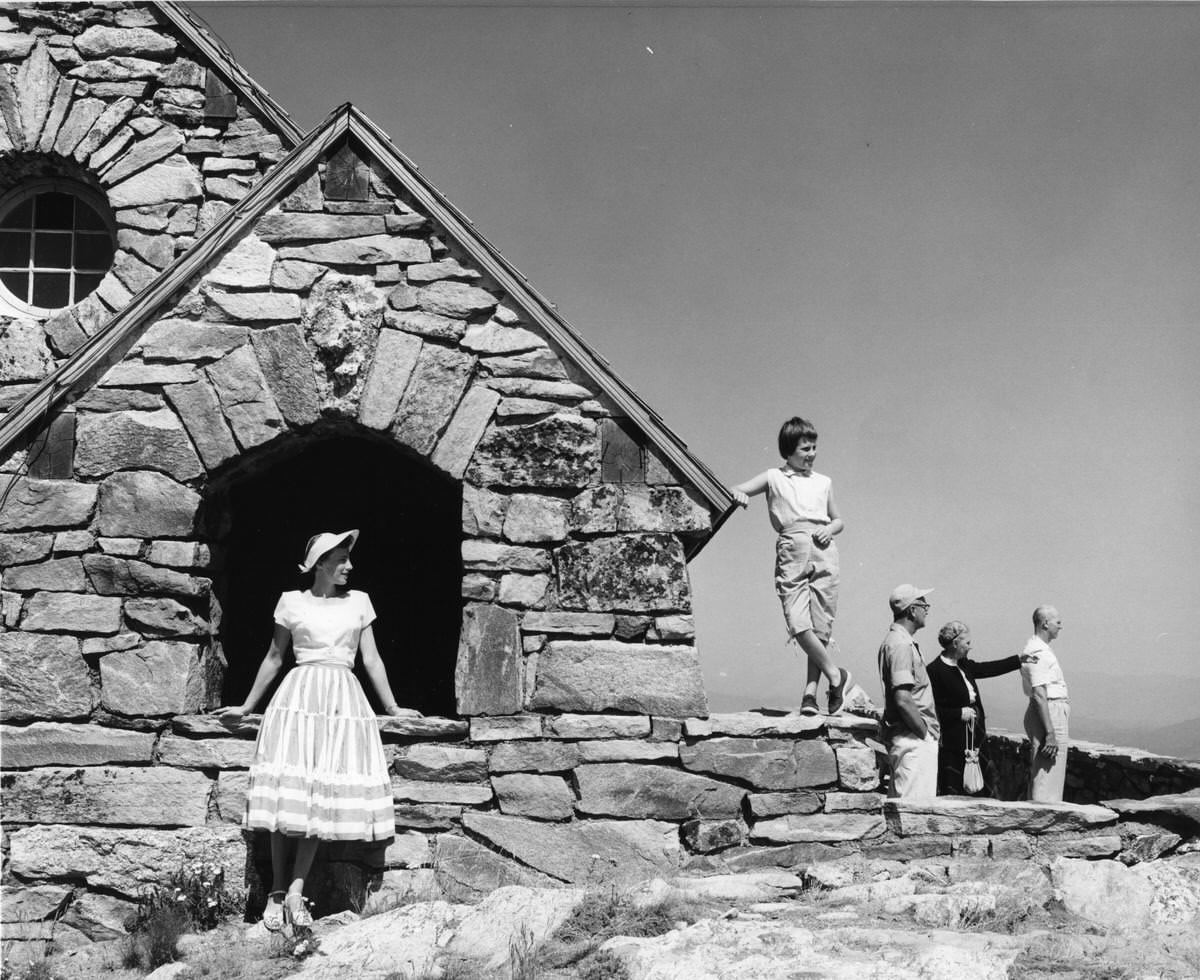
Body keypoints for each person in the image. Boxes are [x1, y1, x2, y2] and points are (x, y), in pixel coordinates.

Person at [214, 530, 409, 932]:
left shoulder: (359, 602)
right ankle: (275, 890)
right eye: (341, 559)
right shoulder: (291, 601)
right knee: (290, 793)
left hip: (341, 699)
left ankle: (296, 891)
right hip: (298, 699)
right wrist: (249, 705)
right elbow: (274, 656)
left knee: (319, 794)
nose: (349, 567)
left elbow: (371, 659)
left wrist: (392, 707)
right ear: (320, 562)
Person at [730, 416, 853, 716]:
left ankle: (810, 694)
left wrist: (831, 529)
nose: (811, 454)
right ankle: (837, 677)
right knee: (798, 622)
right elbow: (737, 488)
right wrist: (739, 493)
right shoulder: (774, 477)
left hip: (824, 548)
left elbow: (838, 519)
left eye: (814, 448)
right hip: (791, 546)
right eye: (805, 449)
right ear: (789, 450)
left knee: (821, 624)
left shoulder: (824, 482)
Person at [927, 621, 1022, 796]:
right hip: (954, 743)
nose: (971, 647)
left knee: (983, 786)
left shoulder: (964, 664)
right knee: (955, 789)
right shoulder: (934, 670)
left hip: (975, 738)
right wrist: (957, 713)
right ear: (955, 643)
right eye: (967, 643)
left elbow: (987, 668)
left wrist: (1018, 661)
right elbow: (931, 708)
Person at [877, 584, 940, 798]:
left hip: (909, 737)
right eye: (924, 605)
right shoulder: (900, 644)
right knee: (914, 811)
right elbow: (903, 699)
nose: (927, 610)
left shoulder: (900, 641)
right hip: (912, 740)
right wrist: (925, 735)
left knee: (904, 810)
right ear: (912, 610)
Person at [1021, 605, 1070, 802]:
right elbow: (1039, 693)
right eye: (1058, 622)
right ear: (1045, 623)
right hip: (1048, 711)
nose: (1061, 627)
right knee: (1046, 772)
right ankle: (1040, 818)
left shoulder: (1038, 650)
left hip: (1049, 710)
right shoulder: (1037, 652)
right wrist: (1050, 733)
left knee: (1049, 772)